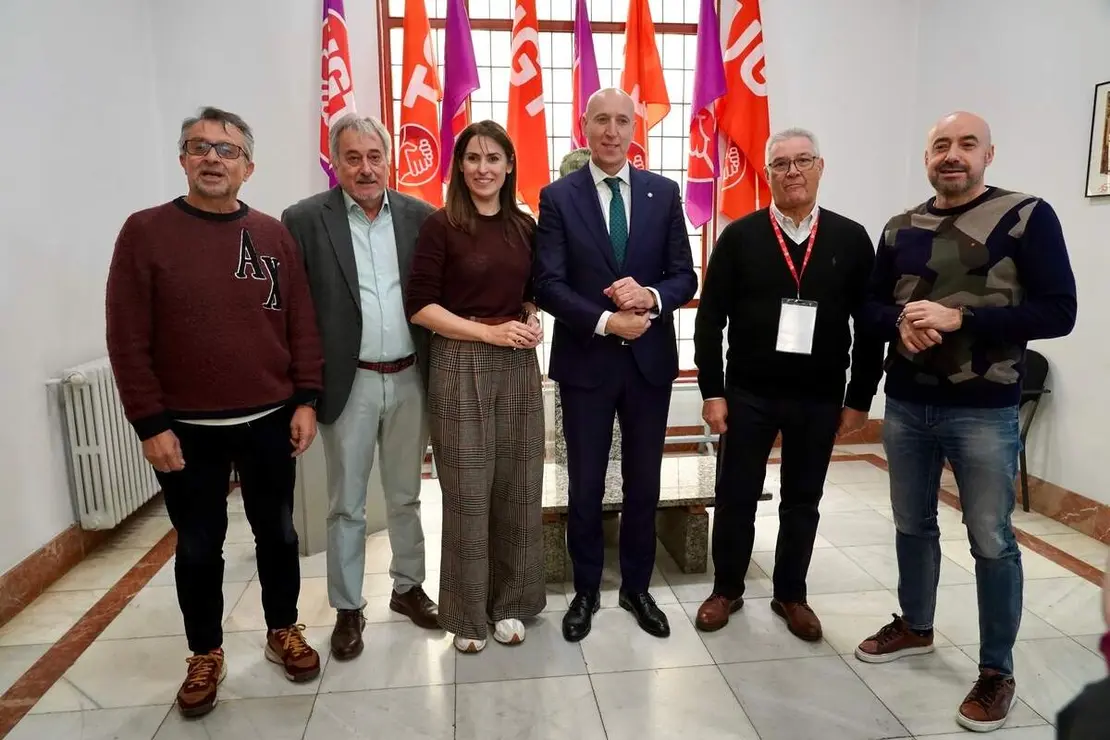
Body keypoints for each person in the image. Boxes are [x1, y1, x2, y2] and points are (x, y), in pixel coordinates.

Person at [854, 111, 1078, 733]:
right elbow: (868, 306)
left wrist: (962, 320)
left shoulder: (1026, 216)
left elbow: (1059, 312)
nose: (952, 155)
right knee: (911, 525)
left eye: (966, 144)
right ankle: (916, 626)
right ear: (927, 157)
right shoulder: (901, 226)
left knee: (990, 539)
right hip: (906, 404)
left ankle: (997, 670)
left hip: (984, 408)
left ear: (988, 154)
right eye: (940, 146)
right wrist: (896, 322)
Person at [105, 106, 324, 718]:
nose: (212, 158)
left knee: (278, 534)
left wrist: (306, 398)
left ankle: (283, 628)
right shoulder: (145, 233)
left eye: (227, 151)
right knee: (200, 547)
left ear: (248, 168)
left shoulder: (274, 236)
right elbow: (126, 337)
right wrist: (150, 423)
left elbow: (300, 322)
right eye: (199, 147)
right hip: (186, 430)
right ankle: (205, 651)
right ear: (182, 160)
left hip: (269, 420)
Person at [692, 127, 884, 640]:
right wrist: (712, 390)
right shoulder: (741, 237)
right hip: (748, 394)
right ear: (768, 172)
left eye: (802, 161)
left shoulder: (851, 238)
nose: (792, 171)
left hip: (819, 395)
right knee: (735, 494)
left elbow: (870, 326)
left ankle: (790, 594)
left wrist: (859, 397)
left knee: (804, 498)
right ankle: (726, 588)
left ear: (821, 167)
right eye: (781, 164)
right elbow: (709, 320)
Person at [533, 88, 698, 642]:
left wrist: (649, 297)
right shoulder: (557, 197)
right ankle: (584, 590)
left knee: (643, 482)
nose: (611, 130)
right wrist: (607, 321)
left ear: (634, 129)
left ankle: (636, 586)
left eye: (621, 121)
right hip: (586, 363)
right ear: (584, 125)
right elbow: (548, 284)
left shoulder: (662, 193)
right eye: (600, 120)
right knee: (584, 483)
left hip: (649, 363)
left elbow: (685, 275)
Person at [281, 114, 438, 662]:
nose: (365, 168)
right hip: (348, 383)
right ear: (336, 162)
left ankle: (407, 588)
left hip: (411, 376)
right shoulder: (303, 220)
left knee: (406, 495)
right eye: (353, 157)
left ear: (388, 160)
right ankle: (348, 608)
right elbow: (296, 314)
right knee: (346, 504)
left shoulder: (421, 216)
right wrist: (302, 392)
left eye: (375, 156)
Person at [405, 120, 546, 653]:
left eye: (493, 158)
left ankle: (511, 603)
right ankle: (467, 614)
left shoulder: (523, 226)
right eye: (472, 158)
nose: (483, 168)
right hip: (460, 361)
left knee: (518, 485)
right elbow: (420, 305)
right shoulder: (441, 226)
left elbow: (530, 293)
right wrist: (486, 331)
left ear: (509, 165)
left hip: (515, 364)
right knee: (468, 493)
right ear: (459, 167)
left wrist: (532, 318)